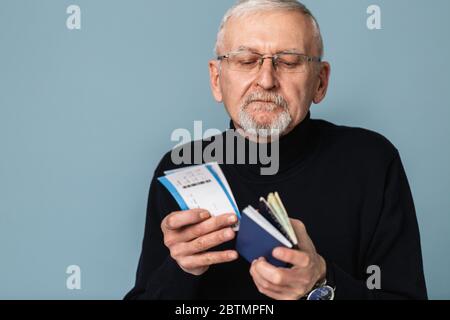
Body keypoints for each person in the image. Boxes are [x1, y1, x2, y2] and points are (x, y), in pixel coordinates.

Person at [125, 0, 427, 300]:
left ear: (320, 82)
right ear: (217, 80)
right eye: (246, 60)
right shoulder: (182, 168)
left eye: (290, 62)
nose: (266, 81)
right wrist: (181, 270)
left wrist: (322, 281)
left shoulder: (372, 162)